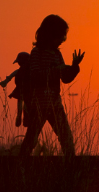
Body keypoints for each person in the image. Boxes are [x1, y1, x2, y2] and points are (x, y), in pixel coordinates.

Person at [17, 15, 84, 156]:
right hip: (39, 106)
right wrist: (56, 70)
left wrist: (74, 67)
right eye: (61, 36)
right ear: (50, 34)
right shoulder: (37, 53)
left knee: (66, 137)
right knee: (31, 139)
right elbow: (35, 76)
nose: (62, 40)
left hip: (55, 105)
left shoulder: (57, 54)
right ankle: (21, 163)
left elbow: (65, 78)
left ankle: (72, 164)